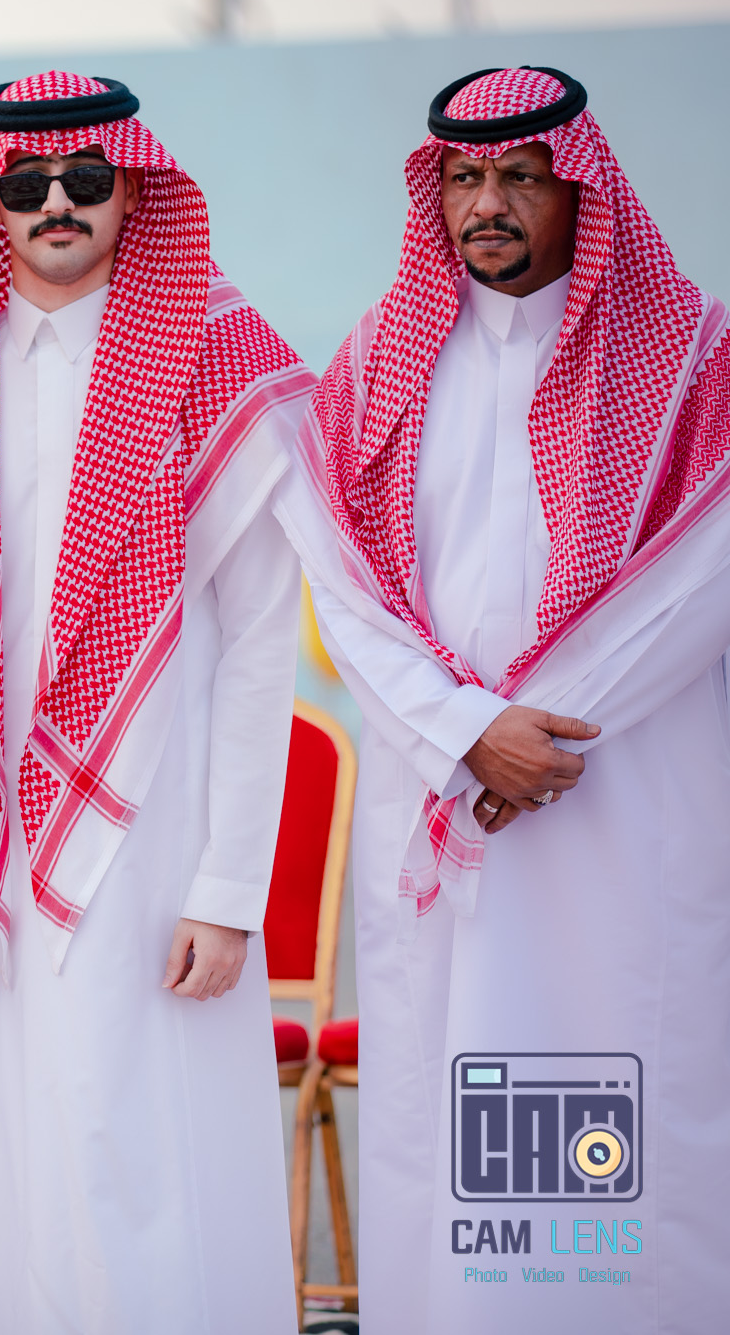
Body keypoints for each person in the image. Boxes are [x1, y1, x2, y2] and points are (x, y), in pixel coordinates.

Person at [275, 67, 730, 1333]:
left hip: (615, 804)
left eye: (519, 177)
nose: (487, 204)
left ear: (577, 188)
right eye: (465, 179)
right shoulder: (374, 364)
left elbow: (699, 578)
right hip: (447, 801)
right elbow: (341, 588)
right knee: (448, 1114)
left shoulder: (691, 359)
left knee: (614, 1098)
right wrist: (466, 734)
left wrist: (539, 731)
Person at [0, 74, 313, 1330]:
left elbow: (259, 648)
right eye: (25, 184)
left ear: (132, 188)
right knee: (2, 1157)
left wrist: (228, 888)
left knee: (152, 1152)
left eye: (84, 178)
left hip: (160, 837)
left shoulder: (218, 362)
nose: (55, 203)